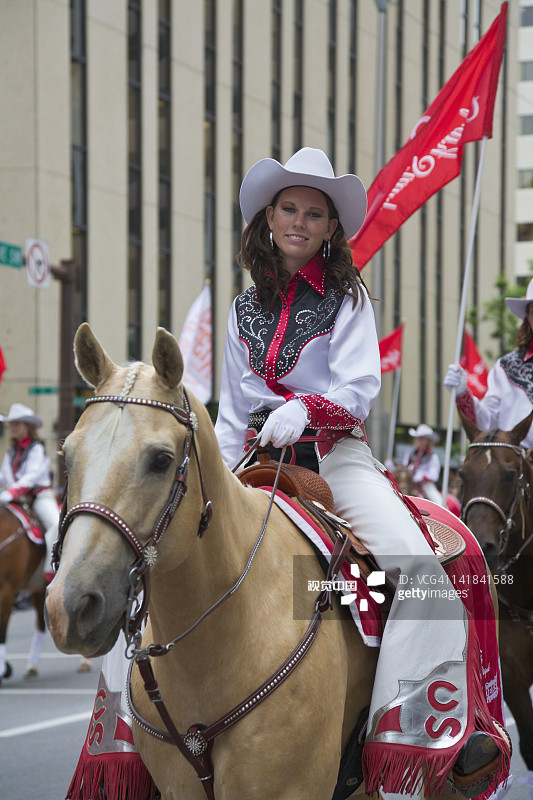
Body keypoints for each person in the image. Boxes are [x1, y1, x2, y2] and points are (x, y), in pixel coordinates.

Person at [214, 147, 509, 798]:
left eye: (312, 213)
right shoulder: (239, 310)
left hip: (333, 456)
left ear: (329, 228)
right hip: (254, 460)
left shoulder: (348, 297)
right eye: (289, 208)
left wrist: (303, 408)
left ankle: (409, 729)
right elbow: (231, 409)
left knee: (422, 573)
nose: (298, 221)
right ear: (268, 218)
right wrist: (227, 472)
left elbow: (358, 388)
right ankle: (140, 733)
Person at [444, 278, 533, 445]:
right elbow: (485, 423)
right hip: (516, 459)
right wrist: (462, 393)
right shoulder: (506, 367)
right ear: (527, 317)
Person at [0, 403, 59, 581]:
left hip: (39, 496)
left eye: (17, 424)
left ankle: (51, 570)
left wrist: (10, 493)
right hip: (17, 499)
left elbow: (30, 478)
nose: (12, 428)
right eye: (11, 424)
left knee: (56, 524)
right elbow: (4, 476)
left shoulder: (36, 448)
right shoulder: (11, 450)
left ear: (27, 426)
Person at [402, 423, 442, 504]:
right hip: (409, 483)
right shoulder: (409, 454)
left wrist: (422, 476)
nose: (419, 441)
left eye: (422, 439)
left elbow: (434, 475)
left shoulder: (433, 456)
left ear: (428, 441)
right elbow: (404, 468)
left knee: (439, 501)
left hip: (425, 486)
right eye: (418, 438)